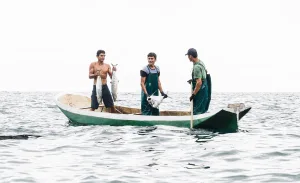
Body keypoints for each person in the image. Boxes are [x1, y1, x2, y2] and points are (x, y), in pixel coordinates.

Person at [186, 48, 211, 114]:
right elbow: (204, 74)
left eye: (188, 56)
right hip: (205, 90)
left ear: (190, 56)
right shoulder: (201, 62)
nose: (188, 57)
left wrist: (193, 94)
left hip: (200, 92)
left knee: (197, 111)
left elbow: (199, 83)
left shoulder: (196, 67)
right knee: (202, 110)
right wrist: (193, 80)